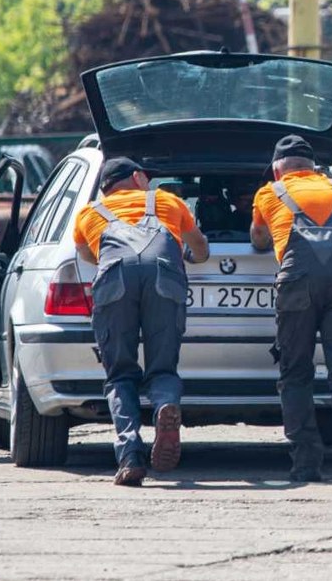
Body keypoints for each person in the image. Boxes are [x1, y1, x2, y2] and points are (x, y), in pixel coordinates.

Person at [73, 157, 210, 486]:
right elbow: (201, 249)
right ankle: (164, 405)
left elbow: (89, 255)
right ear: (137, 177)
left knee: (120, 373)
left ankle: (131, 457)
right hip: (164, 277)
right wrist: (189, 255)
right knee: (162, 368)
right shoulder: (168, 202)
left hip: (114, 281)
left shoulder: (89, 214)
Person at [249, 135, 332, 484]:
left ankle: (306, 462)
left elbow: (258, 238)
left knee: (296, 371)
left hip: (298, 282)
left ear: (277, 169)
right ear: (312, 167)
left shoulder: (268, 193)